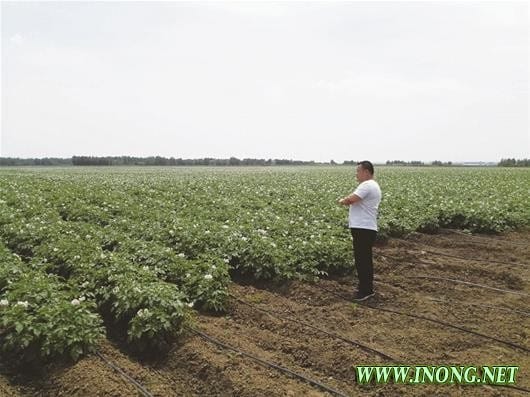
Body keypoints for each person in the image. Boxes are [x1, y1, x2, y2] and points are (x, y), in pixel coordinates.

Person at [338, 161, 382, 301]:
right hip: (366, 228)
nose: (356, 174)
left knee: (362, 260)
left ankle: (365, 291)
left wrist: (342, 200)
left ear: (366, 172)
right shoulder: (373, 185)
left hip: (363, 228)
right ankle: (365, 287)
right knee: (364, 260)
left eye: (358, 171)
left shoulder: (367, 185)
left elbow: (351, 199)